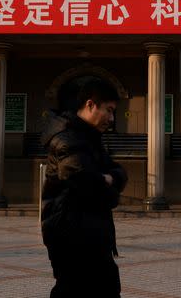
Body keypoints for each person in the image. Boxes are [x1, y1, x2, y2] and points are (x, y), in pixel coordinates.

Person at [40, 79, 128, 298]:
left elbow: (120, 173)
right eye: (109, 110)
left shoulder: (90, 138)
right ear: (90, 105)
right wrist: (107, 183)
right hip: (71, 237)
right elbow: (89, 185)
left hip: (91, 233)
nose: (112, 118)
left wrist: (107, 179)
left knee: (107, 288)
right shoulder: (66, 139)